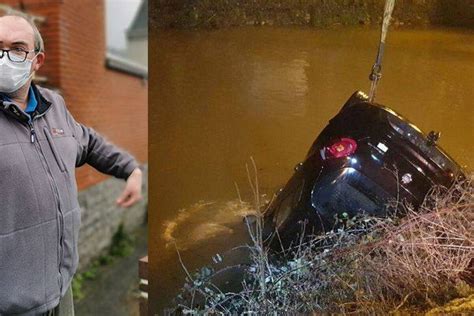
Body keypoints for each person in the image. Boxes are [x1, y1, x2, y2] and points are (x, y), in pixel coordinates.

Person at [0, 12, 143, 316]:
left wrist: (131, 168)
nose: (5, 56)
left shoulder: (54, 107)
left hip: (61, 292)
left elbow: (88, 142)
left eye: (17, 48)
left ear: (37, 60)